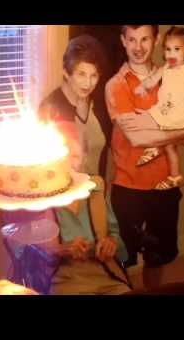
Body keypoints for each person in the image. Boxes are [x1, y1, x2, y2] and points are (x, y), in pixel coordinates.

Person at [105, 25, 184, 289]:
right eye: (132, 39)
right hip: (128, 187)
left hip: (163, 187)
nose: (138, 47)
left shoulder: (174, 78)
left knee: (157, 260)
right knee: (120, 261)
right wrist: (182, 129)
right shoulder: (116, 85)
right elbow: (137, 139)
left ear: (156, 40)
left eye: (145, 38)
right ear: (123, 41)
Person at [36, 34, 131, 295]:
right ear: (66, 72)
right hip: (60, 193)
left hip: (94, 190)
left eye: (94, 76)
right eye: (81, 74)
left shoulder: (99, 104)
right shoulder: (50, 109)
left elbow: (105, 150)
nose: (88, 83)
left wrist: (101, 191)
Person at [129, 26, 184, 190]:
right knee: (170, 146)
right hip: (165, 110)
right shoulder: (166, 68)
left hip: (180, 112)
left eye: (177, 49)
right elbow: (153, 79)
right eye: (167, 49)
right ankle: (175, 176)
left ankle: (156, 146)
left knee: (151, 126)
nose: (171, 54)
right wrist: (143, 87)